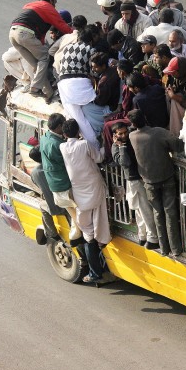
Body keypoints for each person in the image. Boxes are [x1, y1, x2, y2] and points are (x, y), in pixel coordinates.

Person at [60, 119, 112, 283]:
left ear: (64, 134)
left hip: (80, 192)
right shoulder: (84, 145)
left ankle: (95, 272)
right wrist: (109, 145)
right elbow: (98, 157)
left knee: (88, 233)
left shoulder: (62, 147)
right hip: (94, 187)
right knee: (100, 220)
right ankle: (99, 265)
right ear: (78, 132)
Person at [128, 110, 184, 257]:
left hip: (149, 182)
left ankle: (164, 248)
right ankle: (176, 249)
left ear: (133, 124)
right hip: (167, 178)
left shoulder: (132, 136)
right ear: (145, 118)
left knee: (158, 214)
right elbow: (177, 145)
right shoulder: (159, 132)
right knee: (170, 214)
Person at [9, 0, 72, 99]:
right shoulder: (48, 7)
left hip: (13, 33)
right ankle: (35, 88)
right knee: (44, 58)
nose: (55, 5)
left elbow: (41, 33)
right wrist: (76, 33)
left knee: (36, 63)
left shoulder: (30, 5)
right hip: (25, 34)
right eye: (55, 2)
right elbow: (62, 26)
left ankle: (48, 92)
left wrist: (42, 44)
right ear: (51, 0)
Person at [111, 122, 159, 250]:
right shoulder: (116, 147)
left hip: (140, 178)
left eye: (125, 132)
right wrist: (121, 147)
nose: (124, 135)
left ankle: (150, 236)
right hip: (133, 180)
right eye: (120, 134)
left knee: (143, 209)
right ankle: (146, 235)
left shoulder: (132, 137)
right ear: (115, 136)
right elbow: (124, 162)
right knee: (140, 209)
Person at [39, 113, 84, 247]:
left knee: (73, 214)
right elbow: (68, 162)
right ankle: (79, 238)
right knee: (78, 215)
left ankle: (77, 236)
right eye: (63, 125)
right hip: (63, 183)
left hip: (56, 184)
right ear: (59, 127)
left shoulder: (45, 138)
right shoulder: (56, 144)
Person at [28, 145, 69, 245]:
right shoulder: (54, 165)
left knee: (42, 207)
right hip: (67, 202)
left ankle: (52, 233)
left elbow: (38, 186)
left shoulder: (34, 173)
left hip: (54, 206)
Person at [162, 56, 186, 136]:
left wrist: (174, 96)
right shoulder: (179, 77)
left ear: (181, 70)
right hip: (185, 106)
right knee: (168, 96)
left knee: (174, 100)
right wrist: (172, 90)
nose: (172, 74)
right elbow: (177, 88)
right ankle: (171, 124)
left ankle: (176, 133)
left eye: (174, 72)